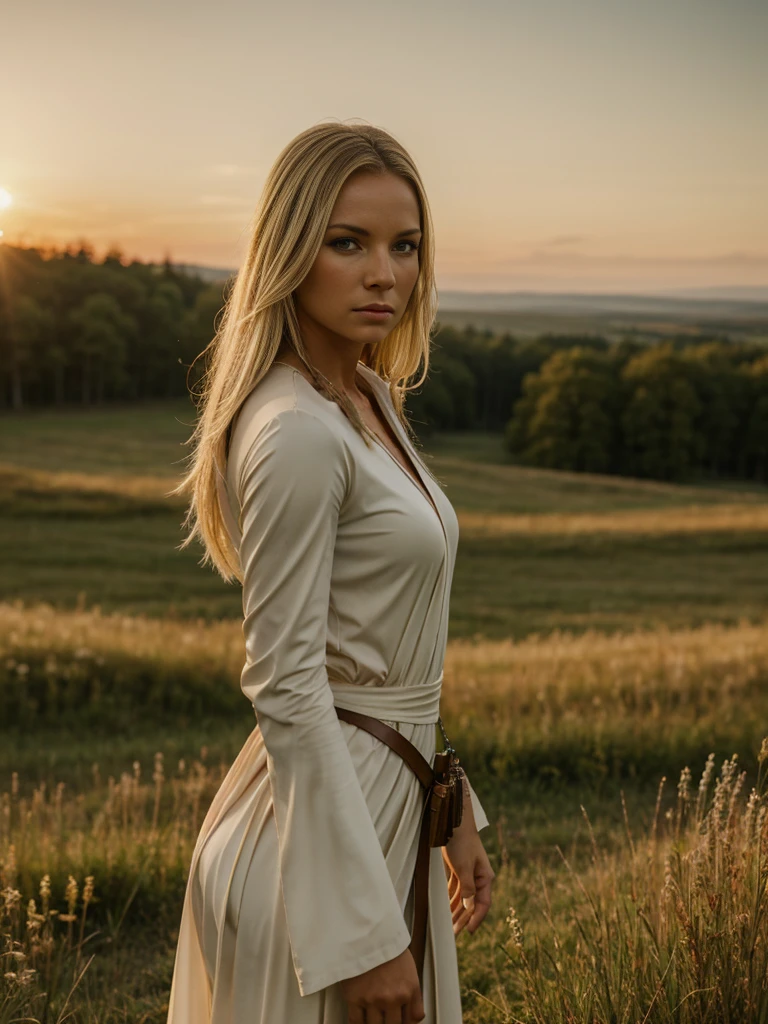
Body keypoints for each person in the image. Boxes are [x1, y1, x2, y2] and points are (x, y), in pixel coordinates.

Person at [165, 120, 495, 1024]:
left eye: (405, 245)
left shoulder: (367, 394)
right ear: (289, 247)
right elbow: (288, 687)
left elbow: (386, 649)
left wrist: (452, 804)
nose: (383, 272)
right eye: (346, 242)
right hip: (320, 857)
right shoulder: (295, 429)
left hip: (391, 806)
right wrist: (362, 931)